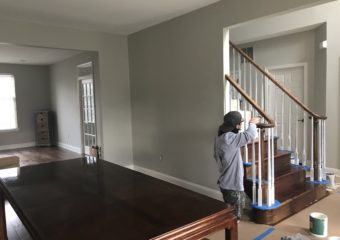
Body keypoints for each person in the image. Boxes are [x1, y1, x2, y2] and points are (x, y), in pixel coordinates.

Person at [214, 111, 261, 221]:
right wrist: (252, 123)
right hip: (232, 186)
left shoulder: (220, 138)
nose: (240, 126)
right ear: (236, 125)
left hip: (224, 183)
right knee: (235, 216)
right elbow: (250, 135)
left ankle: (229, 221)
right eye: (240, 124)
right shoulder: (229, 138)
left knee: (230, 207)